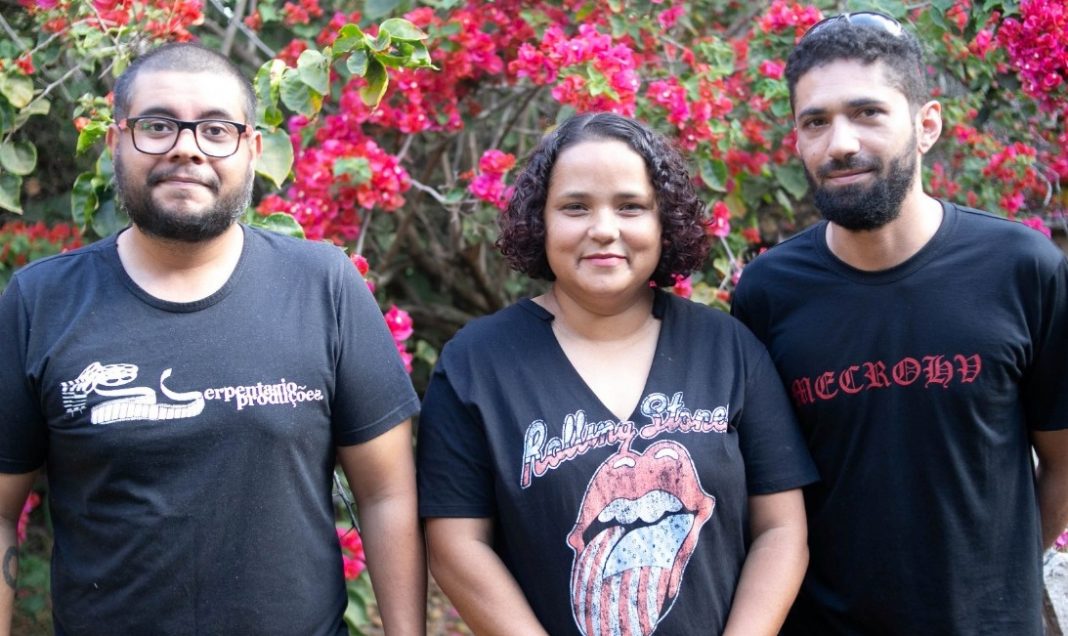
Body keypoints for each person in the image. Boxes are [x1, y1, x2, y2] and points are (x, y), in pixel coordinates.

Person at [0, 43, 425, 635]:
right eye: (157, 125)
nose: (187, 147)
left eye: (216, 129)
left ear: (252, 149)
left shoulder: (324, 285)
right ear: (115, 141)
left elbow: (387, 495)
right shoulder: (40, 301)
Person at [731, 12, 1068, 635]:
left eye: (867, 113)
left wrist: (996, 582)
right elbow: (768, 497)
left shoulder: (1023, 268)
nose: (840, 143)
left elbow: (1063, 461)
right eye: (815, 122)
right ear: (797, 139)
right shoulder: (767, 294)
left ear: (927, 124)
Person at [417, 112, 818, 635]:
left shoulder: (730, 350)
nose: (604, 229)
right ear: (541, 220)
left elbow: (782, 531)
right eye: (575, 207)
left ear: (664, 220)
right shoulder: (477, 364)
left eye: (630, 206)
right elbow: (456, 544)